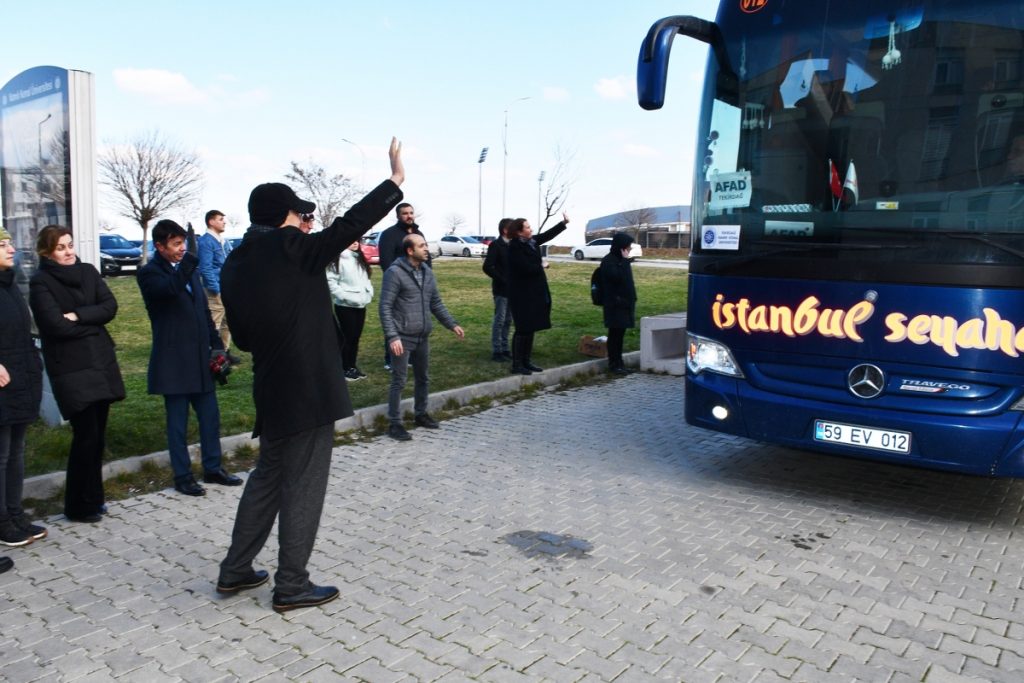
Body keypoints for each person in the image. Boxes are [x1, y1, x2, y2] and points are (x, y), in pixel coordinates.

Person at [216, 138, 405, 614]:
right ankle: (292, 585)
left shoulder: (236, 262)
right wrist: (394, 183)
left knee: (267, 477)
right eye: (299, 214)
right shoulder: (292, 247)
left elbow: (240, 338)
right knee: (302, 485)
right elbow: (349, 226)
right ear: (284, 216)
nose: (305, 221)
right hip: (308, 389)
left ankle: (236, 570)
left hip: (271, 385)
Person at [137, 219, 242, 497]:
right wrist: (189, 262)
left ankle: (213, 467)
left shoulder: (189, 271)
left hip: (199, 358)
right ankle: (182, 475)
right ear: (159, 246)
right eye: (175, 244)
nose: (182, 249)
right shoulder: (149, 273)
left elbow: (204, 311)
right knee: (177, 423)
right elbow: (169, 290)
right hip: (173, 360)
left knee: (210, 416)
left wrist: (217, 345)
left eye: (183, 243)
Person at [29, 225, 126, 524]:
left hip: (100, 362)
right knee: (85, 437)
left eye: (70, 245)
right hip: (71, 367)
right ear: (47, 252)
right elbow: (55, 325)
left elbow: (110, 307)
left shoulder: (87, 271)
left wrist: (79, 315)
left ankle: (94, 499)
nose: (69, 251)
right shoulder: (40, 282)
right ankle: (77, 505)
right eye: (61, 248)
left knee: (98, 437)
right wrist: (91, 319)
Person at [379, 234, 464, 441]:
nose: (427, 249)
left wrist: (451, 324)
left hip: (422, 336)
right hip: (402, 337)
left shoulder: (427, 271)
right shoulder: (394, 273)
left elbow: (435, 303)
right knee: (399, 380)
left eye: (426, 245)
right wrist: (392, 336)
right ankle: (395, 423)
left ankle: (421, 414)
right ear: (410, 250)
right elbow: (385, 307)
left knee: (423, 378)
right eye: (422, 245)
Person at [0, 226, 43, 552]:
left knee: (16, 452)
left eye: (9, 242)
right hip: (2, 381)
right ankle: (1, 521)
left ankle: (15, 513)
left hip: (20, 377)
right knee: (1, 456)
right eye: (3, 244)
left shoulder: (9, 284)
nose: (11, 248)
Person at [506, 213, 569, 375]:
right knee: (522, 328)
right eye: (527, 227)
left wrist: (563, 223)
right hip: (521, 294)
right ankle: (517, 364)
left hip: (533, 292)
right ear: (519, 232)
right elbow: (525, 268)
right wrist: (542, 265)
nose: (531, 229)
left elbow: (547, 235)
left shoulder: (532, 242)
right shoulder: (514, 247)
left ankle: (526, 361)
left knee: (531, 327)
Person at [377, 203, 430, 369]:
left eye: (411, 213)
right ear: (398, 216)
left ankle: (411, 356)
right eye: (405, 213)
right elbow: (386, 261)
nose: (409, 216)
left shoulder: (418, 234)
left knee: (414, 321)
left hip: (418, 286)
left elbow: (425, 258)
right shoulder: (389, 235)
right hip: (398, 286)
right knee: (396, 322)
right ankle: (391, 359)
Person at [197, 210, 240, 365]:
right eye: (221, 219)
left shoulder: (222, 240)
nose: (224, 222)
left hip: (226, 287)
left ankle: (224, 352)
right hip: (215, 289)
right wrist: (216, 289)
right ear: (211, 222)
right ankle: (211, 354)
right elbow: (206, 268)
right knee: (214, 322)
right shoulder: (206, 241)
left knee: (227, 322)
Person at [327, 240, 373, 381]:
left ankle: (352, 366)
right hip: (345, 306)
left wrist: (368, 293)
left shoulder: (359, 258)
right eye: (351, 240)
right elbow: (331, 282)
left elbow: (366, 280)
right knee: (348, 337)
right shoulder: (337, 259)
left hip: (361, 304)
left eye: (357, 240)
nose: (355, 243)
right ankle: (345, 368)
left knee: (356, 337)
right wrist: (345, 297)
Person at [598, 233, 638, 375]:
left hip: (624, 303)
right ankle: (614, 364)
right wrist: (625, 262)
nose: (630, 248)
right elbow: (618, 278)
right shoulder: (609, 261)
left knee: (619, 335)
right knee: (614, 335)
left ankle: (619, 363)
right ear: (621, 247)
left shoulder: (620, 260)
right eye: (628, 246)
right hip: (615, 304)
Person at [482, 218, 514, 362]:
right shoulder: (496, 245)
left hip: (513, 290)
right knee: (499, 320)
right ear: (505, 230)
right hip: (501, 289)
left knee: (508, 320)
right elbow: (487, 267)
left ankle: (505, 348)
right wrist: (502, 279)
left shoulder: (514, 245)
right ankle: (497, 351)